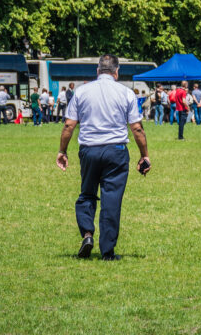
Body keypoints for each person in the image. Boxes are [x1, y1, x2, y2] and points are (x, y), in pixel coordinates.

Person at [56, 54, 150, 261]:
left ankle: (87, 234)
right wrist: (144, 155)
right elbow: (137, 128)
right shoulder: (126, 93)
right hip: (116, 151)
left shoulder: (81, 92)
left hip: (89, 150)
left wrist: (62, 151)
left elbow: (69, 125)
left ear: (97, 71)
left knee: (87, 194)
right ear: (117, 72)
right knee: (111, 200)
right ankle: (107, 252)